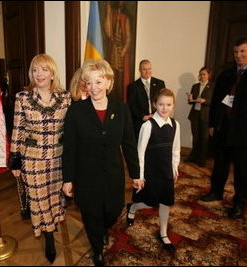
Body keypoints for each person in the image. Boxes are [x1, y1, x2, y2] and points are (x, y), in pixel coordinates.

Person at [62, 59, 141, 266]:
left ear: (108, 82)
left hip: (113, 175)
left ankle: (104, 229)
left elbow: (129, 144)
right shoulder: (76, 110)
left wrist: (136, 173)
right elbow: (69, 148)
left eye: (99, 81)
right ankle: (97, 248)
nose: (94, 87)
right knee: (91, 214)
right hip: (86, 175)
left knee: (112, 211)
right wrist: (67, 179)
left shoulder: (122, 109)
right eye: (89, 82)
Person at [200, 37, 247, 219]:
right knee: (220, 164)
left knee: (243, 169)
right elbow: (217, 103)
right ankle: (216, 192)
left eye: (242, 51)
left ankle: (239, 203)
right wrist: (212, 124)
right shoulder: (226, 74)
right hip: (224, 128)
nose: (238, 55)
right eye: (236, 52)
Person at [8, 54, 71, 263]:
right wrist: (15, 157)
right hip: (33, 160)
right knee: (39, 200)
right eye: (35, 70)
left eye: (44, 69)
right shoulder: (22, 98)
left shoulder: (65, 98)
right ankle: (49, 238)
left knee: (54, 198)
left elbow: (71, 130)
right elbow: (18, 129)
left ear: (52, 73)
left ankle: (52, 229)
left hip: (58, 160)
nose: (39, 74)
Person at [126, 88, 180, 252]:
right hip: (151, 171)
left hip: (166, 171)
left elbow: (175, 149)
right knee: (150, 202)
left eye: (168, 105)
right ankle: (133, 208)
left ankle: (163, 233)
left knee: (166, 202)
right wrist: (139, 176)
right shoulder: (148, 125)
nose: (164, 108)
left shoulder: (175, 125)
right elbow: (140, 152)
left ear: (173, 105)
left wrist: (174, 168)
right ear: (154, 104)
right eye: (161, 104)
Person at [127, 59, 166, 139]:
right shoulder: (133, 86)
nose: (147, 71)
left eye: (149, 69)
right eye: (144, 69)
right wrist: (143, 116)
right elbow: (131, 105)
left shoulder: (160, 83)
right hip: (141, 121)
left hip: (157, 119)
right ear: (140, 70)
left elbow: (164, 101)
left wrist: (157, 115)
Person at [185, 67, 214, 167]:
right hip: (195, 115)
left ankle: (202, 159)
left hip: (205, 116)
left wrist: (205, 101)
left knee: (204, 138)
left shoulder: (213, 86)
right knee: (196, 138)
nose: (202, 76)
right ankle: (193, 157)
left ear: (209, 75)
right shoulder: (195, 86)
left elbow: (215, 101)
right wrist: (189, 99)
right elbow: (191, 101)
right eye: (201, 74)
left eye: (204, 74)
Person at [104, 1, 131, 102]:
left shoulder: (125, 18)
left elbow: (128, 38)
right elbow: (108, 32)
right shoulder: (111, 15)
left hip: (121, 53)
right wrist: (108, 9)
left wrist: (123, 51)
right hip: (112, 51)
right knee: (111, 76)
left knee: (120, 80)